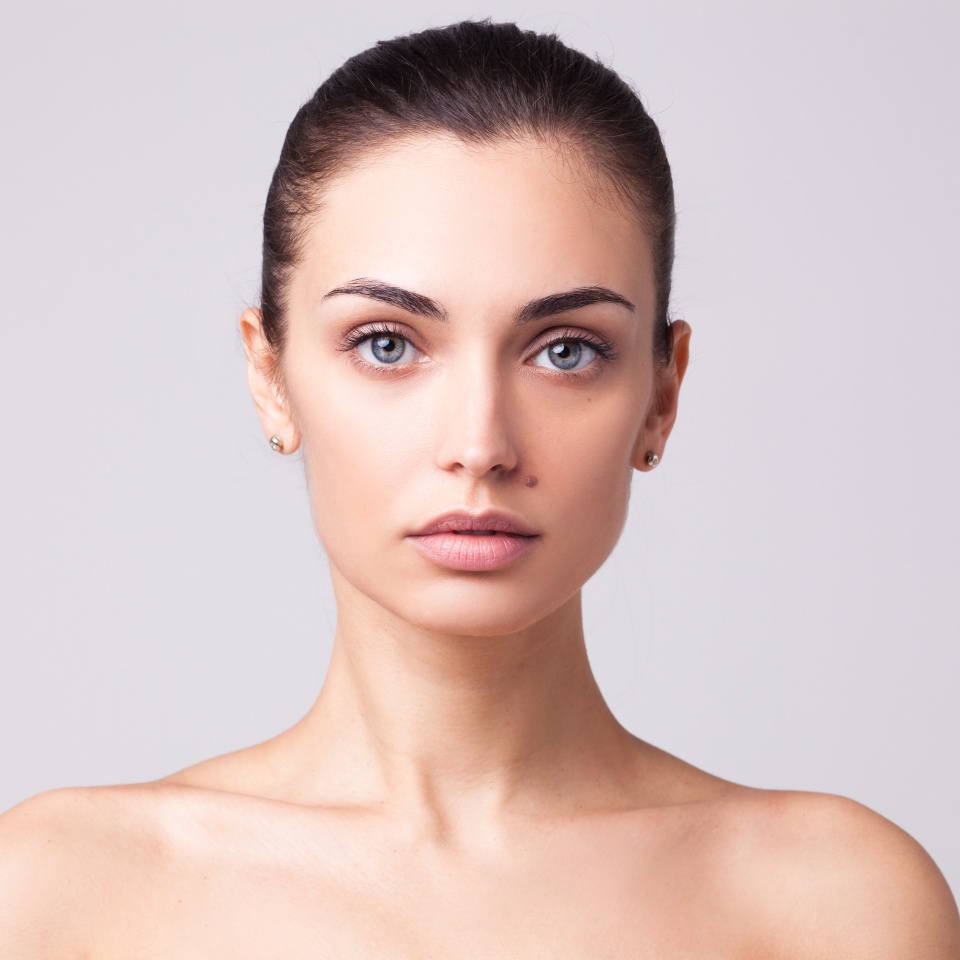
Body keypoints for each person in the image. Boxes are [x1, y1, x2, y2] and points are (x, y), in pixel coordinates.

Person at [1, 18, 957, 957]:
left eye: (565, 350)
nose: (480, 444)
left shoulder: (838, 907)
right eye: (388, 344)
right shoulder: (59, 897)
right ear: (271, 376)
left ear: (661, 395)